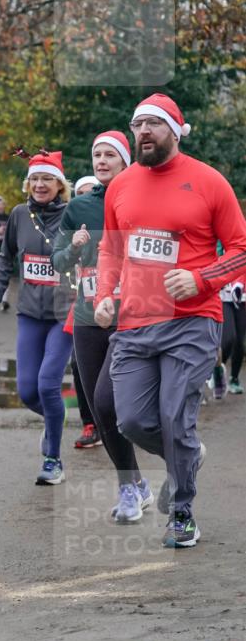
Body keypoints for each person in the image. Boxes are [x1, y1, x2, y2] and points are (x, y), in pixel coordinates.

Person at [94, 93, 246, 547]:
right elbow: (111, 248)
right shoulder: (121, 186)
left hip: (192, 321)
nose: (143, 131)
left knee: (174, 416)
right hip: (136, 321)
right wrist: (104, 295)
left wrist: (201, 279)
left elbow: (241, 248)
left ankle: (181, 512)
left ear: (175, 131)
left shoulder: (208, 181)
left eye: (154, 124)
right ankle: (187, 455)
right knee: (133, 420)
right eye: (137, 124)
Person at [53, 132, 153, 522]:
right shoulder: (79, 206)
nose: (102, 160)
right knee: (99, 405)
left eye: (111, 154)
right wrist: (75, 247)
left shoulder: (142, 198)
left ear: (127, 160)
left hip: (133, 315)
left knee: (117, 402)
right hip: (88, 316)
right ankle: (132, 485)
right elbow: (58, 263)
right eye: (97, 154)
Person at [0, 151, 75, 484]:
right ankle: (53, 425)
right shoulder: (20, 215)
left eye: (47, 179)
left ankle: (53, 459)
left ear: (59, 185)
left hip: (65, 314)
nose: (39, 185)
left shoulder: (73, 214)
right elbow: (5, 259)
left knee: (49, 385)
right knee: (27, 391)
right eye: (34, 179)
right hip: (30, 314)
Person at [69, 175, 101, 450]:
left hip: (118, 302)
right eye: (81, 193)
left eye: (92, 192)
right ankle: (90, 423)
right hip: (81, 302)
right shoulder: (72, 224)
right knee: (78, 363)